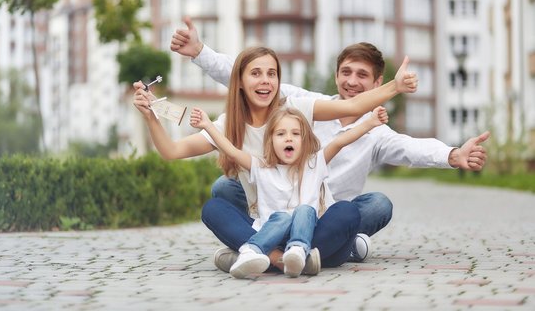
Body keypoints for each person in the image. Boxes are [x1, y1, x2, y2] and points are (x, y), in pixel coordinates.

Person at [170, 17, 489, 267]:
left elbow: (411, 147)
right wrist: (200, 53)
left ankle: (261, 249)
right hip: (277, 207)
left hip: (326, 215)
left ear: (377, 83)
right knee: (224, 189)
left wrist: (451, 154)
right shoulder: (307, 106)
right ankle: (333, 250)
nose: (352, 81)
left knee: (377, 204)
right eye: (346, 72)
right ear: (337, 75)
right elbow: (250, 78)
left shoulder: (376, 132)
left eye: (362, 75)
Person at [134, 45, 417, 273]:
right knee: (214, 206)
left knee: (347, 212)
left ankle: (254, 254)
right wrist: (151, 117)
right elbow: (171, 151)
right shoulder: (228, 125)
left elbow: (353, 106)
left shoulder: (296, 110)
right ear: (241, 82)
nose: (265, 81)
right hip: (268, 221)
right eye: (256, 73)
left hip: (311, 226)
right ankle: (284, 258)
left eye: (272, 74)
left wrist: (395, 87)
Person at [190, 105, 389, 278]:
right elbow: (231, 151)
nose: (289, 138)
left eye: (296, 134)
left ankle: (262, 258)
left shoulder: (314, 163)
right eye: (281, 134)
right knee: (213, 208)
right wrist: (208, 125)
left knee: (346, 210)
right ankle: (277, 259)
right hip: (269, 235)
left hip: (311, 237)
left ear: (304, 140)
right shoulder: (260, 167)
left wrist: (370, 122)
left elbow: (340, 141)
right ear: (271, 140)